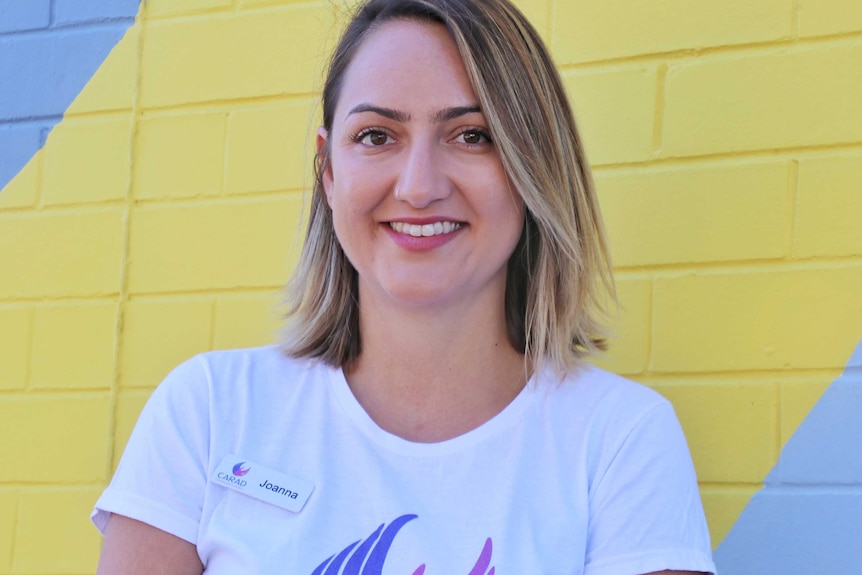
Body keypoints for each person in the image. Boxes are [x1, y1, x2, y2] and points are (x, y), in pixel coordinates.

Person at [92, 0, 717, 573]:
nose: (419, 186)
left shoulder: (619, 440)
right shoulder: (209, 412)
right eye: (376, 136)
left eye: (472, 135)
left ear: (534, 167)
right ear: (328, 170)